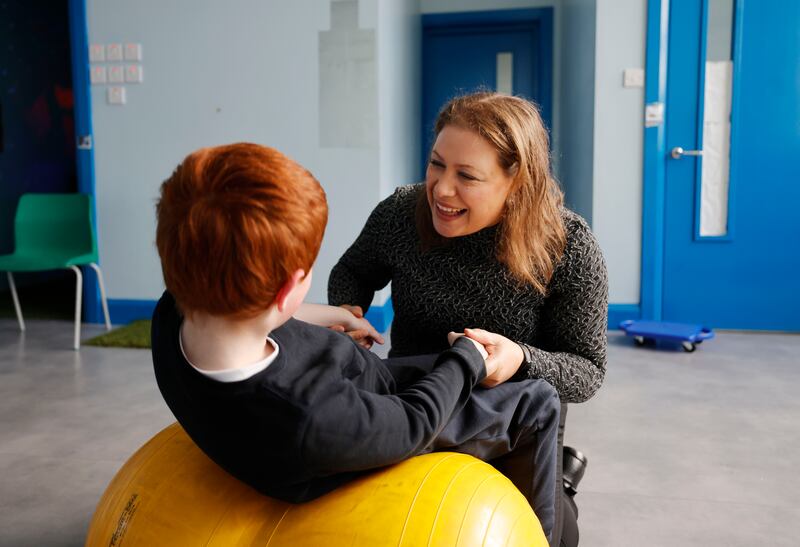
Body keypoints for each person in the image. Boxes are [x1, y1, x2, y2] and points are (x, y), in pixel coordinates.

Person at [150, 143, 562, 541]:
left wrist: (336, 315)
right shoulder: (309, 418)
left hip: (358, 382)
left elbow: (258, 307)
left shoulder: (179, 308)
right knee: (538, 400)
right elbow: (412, 423)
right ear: (289, 287)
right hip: (369, 424)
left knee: (453, 371)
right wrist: (466, 358)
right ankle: (549, 537)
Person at [328, 92, 609, 546]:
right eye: (436, 164)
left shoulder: (569, 248)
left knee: (558, 537)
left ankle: (562, 483)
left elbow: (587, 371)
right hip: (414, 407)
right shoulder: (402, 212)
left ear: (516, 180)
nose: (441, 189)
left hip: (509, 429)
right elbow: (353, 270)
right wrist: (347, 308)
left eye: (467, 176)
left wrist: (519, 358)